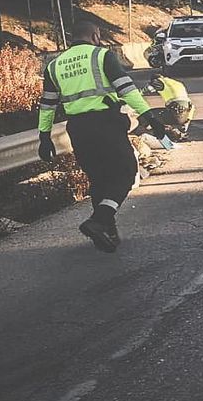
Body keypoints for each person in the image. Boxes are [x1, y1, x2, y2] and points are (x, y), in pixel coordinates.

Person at [38, 22, 164, 253]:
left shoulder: (54, 65)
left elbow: (47, 105)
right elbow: (127, 89)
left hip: (77, 128)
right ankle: (100, 220)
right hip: (106, 124)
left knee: (98, 178)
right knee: (126, 172)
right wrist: (150, 116)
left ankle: (108, 231)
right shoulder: (102, 56)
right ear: (95, 36)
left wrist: (44, 136)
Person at [147, 73, 194, 140]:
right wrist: (187, 122)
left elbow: (145, 90)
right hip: (185, 112)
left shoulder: (158, 81)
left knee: (150, 114)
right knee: (165, 113)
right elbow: (192, 106)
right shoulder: (177, 83)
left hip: (176, 110)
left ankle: (164, 133)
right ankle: (179, 133)